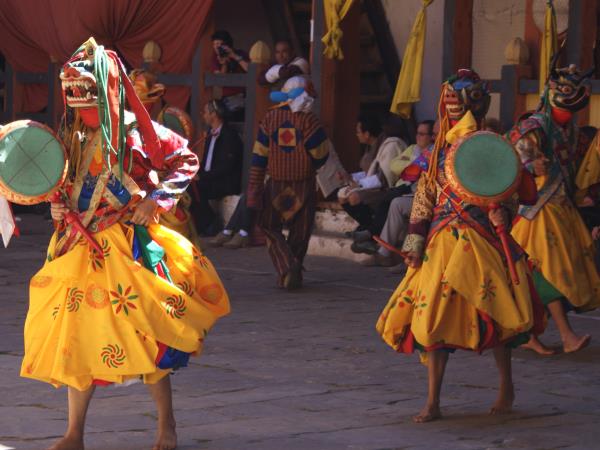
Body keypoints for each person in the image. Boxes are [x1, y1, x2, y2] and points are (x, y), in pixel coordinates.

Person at [21, 38, 230, 450]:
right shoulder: (73, 136)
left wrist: (155, 201)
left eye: (87, 107)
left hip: (126, 247)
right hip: (76, 248)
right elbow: (59, 184)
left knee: (145, 333)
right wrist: (57, 207)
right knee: (75, 337)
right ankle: (74, 433)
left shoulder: (139, 133)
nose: (81, 115)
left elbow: (186, 160)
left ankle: (165, 425)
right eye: (76, 107)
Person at [376, 69, 544, 423]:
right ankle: (433, 400)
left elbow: (509, 189)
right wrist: (414, 242)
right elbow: (424, 198)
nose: (452, 111)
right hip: (441, 243)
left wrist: (506, 214)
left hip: (482, 239)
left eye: (459, 103)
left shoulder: (492, 145)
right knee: (432, 319)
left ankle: (505, 387)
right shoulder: (437, 152)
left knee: (496, 315)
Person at [509, 62, 600, 355]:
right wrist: (529, 166)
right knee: (547, 271)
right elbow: (509, 162)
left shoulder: (570, 130)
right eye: (565, 90)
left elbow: (576, 167)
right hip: (537, 211)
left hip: (562, 209)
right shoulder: (532, 126)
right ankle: (564, 334)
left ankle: (530, 333)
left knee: (558, 270)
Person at [247, 76, 330, 289]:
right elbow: (321, 153)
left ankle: (287, 266)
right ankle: (293, 269)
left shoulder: (269, 119)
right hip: (303, 185)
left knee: (269, 225)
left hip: (275, 184)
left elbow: (259, 156)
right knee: (300, 231)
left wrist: (254, 185)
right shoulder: (309, 120)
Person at [354, 120, 436, 266]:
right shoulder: (413, 149)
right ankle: (392, 256)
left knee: (396, 203)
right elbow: (396, 166)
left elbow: (410, 171)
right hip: (411, 193)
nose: (418, 137)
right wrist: (414, 163)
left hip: (431, 199)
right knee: (394, 202)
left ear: (432, 137)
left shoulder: (435, 153)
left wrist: (411, 164)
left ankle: (391, 254)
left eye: (422, 134)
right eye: (417, 133)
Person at [338, 115, 408, 234]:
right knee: (342, 195)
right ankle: (366, 225)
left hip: (386, 189)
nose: (357, 135)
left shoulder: (389, 146)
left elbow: (384, 178)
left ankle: (371, 230)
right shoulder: (370, 148)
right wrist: (350, 177)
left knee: (354, 197)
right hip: (373, 187)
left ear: (367, 134)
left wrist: (359, 185)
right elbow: (368, 172)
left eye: (358, 132)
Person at [193, 99, 244, 236]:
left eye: (205, 112)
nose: (203, 115)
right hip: (211, 179)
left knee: (197, 187)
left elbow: (226, 167)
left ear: (213, 114)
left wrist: (202, 176)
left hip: (225, 181)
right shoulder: (211, 134)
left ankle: (211, 223)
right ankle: (203, 224)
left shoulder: (229, 136)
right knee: (189, 185)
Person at [211, 30, 249, 115]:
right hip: (227, 99)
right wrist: (224, 64)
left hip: (243, 96)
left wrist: (234, 56)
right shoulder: (215, 59)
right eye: (214, 44)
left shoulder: (240, 54)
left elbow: (251, 70)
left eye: (219, 44)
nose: (217, 48)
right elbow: (220, 83)